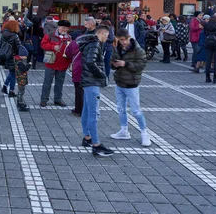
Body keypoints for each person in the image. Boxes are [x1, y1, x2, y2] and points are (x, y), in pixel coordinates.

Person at [110, 29, 151, 147]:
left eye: (124, 40)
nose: (123, 42)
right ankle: (124, 131)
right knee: (121, 108)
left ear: (129, 38)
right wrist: (113, 64)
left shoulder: (138, 50)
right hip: (119, 82)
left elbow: (141, 66)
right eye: (120, 40)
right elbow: (111, 62)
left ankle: (144, 133)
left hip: (132, 84)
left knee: (136, 111)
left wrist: (125, 64)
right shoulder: (117, 48)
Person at [79, 25, 114, 157]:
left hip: (88, 81)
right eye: (107, 35)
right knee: (92, 114)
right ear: (103, 33)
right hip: (92, 81)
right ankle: (96, 145)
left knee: (86, 112)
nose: (108, 38)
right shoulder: (95, 44)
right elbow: (91, 62)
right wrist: (102, 75)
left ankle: (87, 137)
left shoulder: (90, 43)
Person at [40, 19, 72, 107]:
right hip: (50, 62)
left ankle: (58, 99)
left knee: (59, 83)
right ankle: (44, 99)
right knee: (47, 82)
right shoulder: (50, 35)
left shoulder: (69, 37)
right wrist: (53, 47)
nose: (65, 30)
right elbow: (43, 45)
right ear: (59, 27)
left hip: (62, 64)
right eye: (63, 28)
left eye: (66, 28)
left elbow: (70, 50)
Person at [0, 20, 22, 98]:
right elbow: (19, 47)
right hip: (13, 56)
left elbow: (1, 46)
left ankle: (5, 87)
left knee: (12, 72)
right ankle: (11, 90)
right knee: (14, 73)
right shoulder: (14, 36)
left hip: (6, 56)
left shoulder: (3, 34)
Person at [64, 31, 84, 117]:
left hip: (77, 66)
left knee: (78, 90)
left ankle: (78, 109)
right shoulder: (87, 41)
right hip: (86, 67)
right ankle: (85, 109)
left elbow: (67, 54)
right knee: (85, 90)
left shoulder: (73, 43)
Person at [15, 45, 31, 112]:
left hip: (21, 79)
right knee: (21, 92)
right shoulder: (20, 62)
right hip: (21, 79)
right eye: (25, 56)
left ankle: (19, 102)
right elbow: (23, 69)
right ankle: (20, 103)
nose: (26, 57)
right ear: (21, 55)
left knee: (20, 91)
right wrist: (29, 65)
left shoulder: (18, 60)